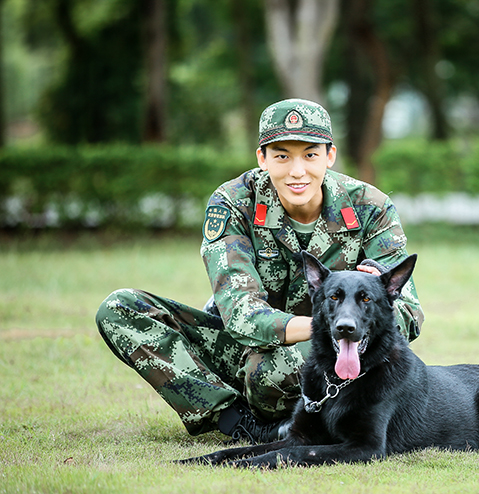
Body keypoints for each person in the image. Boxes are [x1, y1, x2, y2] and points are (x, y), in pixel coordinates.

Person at [96, 98, 424, 444]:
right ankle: (236, 420)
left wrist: (357, 313)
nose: (297, 171)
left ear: (330, 155)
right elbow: (240, 313)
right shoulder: (233, 203)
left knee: (274, 370)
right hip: (239, 348)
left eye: (310, 155)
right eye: (282, 156)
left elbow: (407, 312)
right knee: (119, 309)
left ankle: (309, 419)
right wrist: (323, 324)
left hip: (328, 357)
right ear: (261, 158)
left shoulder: (369, 207)